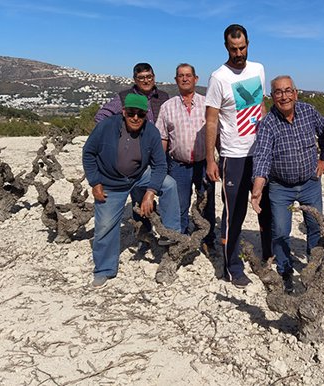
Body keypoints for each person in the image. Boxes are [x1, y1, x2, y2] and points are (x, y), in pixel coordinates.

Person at [82, 94, 183, 288]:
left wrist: (150, 191)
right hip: (111, 182)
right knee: (104, 226)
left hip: (139, 175)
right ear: (123, 112)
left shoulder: (151, 132)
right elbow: (88, 153)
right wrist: (95, 182)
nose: (135, 117)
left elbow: (160, 165)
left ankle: (171, 233)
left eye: (140, 114)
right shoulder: (106, 127)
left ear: (145, 114)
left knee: (169, 185)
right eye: (131, 113)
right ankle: (104, 269)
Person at [250, 75, 324, 293]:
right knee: (280, 230)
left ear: (295, 93)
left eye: (288, 91)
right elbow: (262, 157)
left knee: (315, 226)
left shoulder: (308, 111)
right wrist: (257, 188)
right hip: (280, 187)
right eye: (278, 92)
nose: (284, 96)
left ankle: (314, 267)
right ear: (272, 97)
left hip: (310, 183)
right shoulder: (267, 123)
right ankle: (285, 271)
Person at [205, 24, 272, 288]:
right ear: (226, 47)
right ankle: (232, 265)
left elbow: (260, 105)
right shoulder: (218, 77)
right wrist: (211, 158)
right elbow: (211, 121)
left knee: (266, 209)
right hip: (233, 155)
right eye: (233, 49)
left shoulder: (258, 69)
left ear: (248, 44)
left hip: (260, 153)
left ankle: (268, 257)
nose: (238, 53)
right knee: (235, 213)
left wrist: (269, 139)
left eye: (242, 48)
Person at [156, 63, 215, 249]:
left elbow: (218, 133)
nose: (184, 78)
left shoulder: (208, 105)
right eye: (180, 75)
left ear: (196, 79)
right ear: (176, 80)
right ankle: (180, 240)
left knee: (207, 204)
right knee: (179, 205)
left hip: (204, 164)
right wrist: (159, 165)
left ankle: (208, 240)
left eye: (188, 75)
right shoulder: (167, 107)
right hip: (178, 166)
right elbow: (163, 138)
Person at [94, 63, 169, 124]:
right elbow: (101, 116)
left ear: (154, 77)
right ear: (135, 80)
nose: (146, 81)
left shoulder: (163, 97)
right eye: (141, 78)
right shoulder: (124, 97)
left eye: (149, 77)